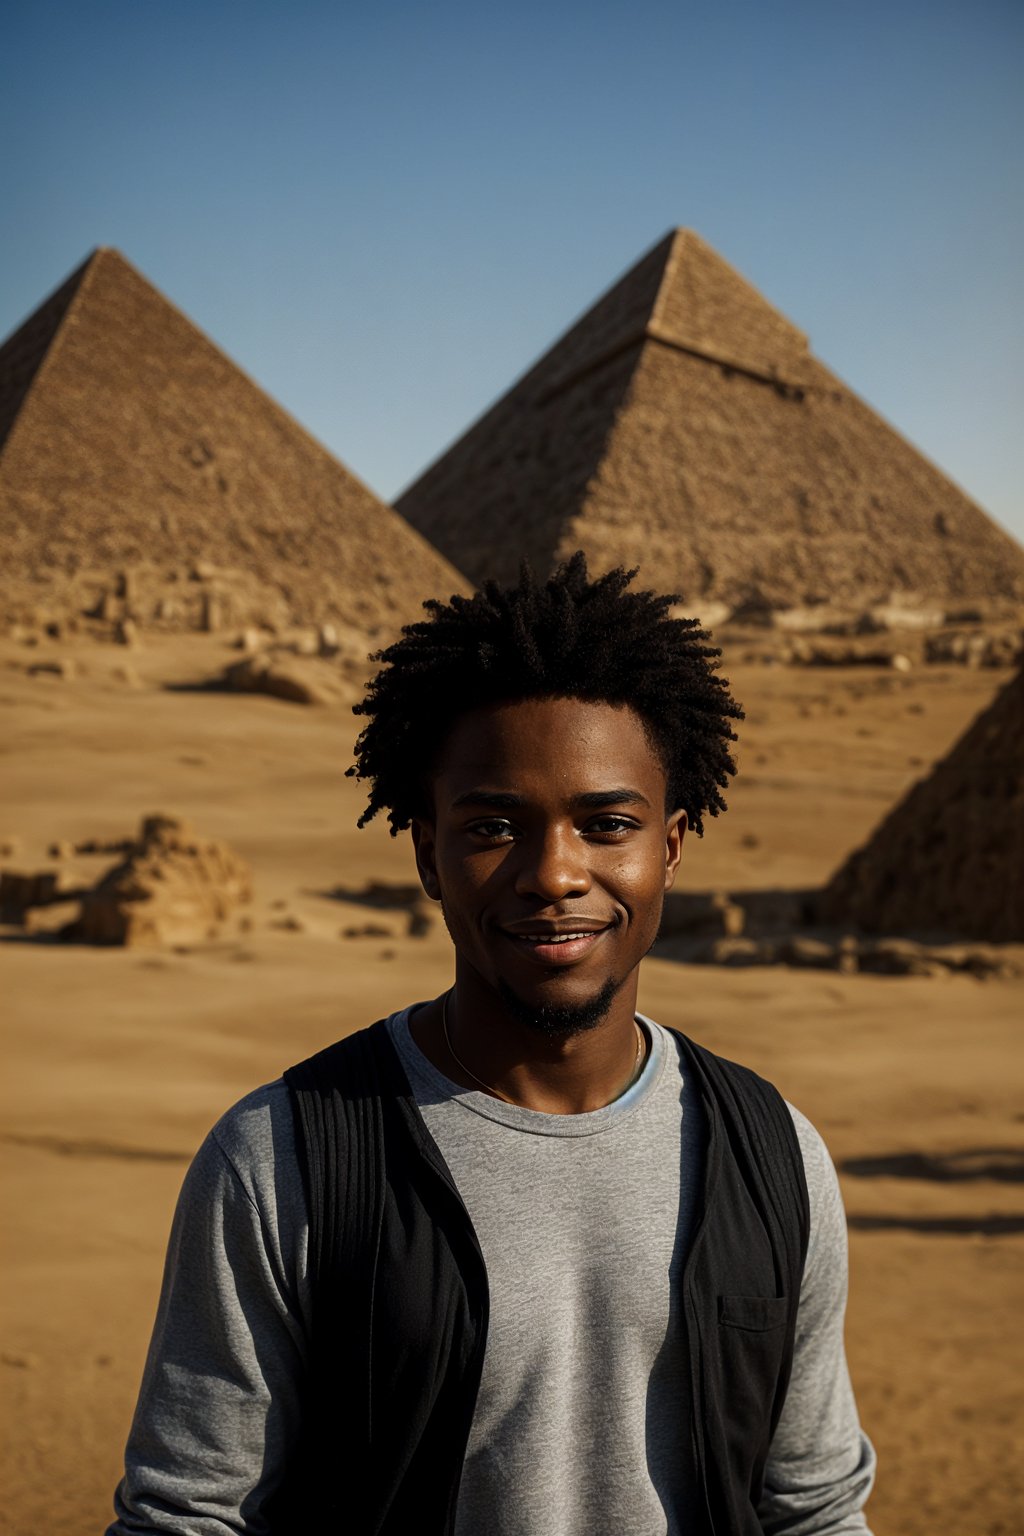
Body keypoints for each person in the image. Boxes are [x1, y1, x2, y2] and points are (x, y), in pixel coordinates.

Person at [108, 554, 876, 1535]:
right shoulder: (282, 1158)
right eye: (493, 827)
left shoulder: (774, 1156)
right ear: (426, 851)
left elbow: (812, 1507)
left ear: (671, 848)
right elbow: (187, 1514)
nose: (554, 873)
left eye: (605, 824)